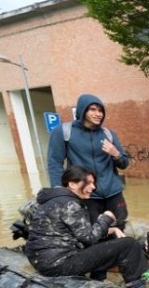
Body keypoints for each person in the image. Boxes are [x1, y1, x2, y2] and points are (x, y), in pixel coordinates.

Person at [25, 165, 149, 288]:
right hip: (58, 264)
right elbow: (89, 239)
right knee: (129, 244)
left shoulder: (52, 200)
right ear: (72, 184)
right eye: (89, 183)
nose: (93, 187)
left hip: (43, 261)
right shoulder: (70, 204)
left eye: (93, 183)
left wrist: (114, 230)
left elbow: (80, 233)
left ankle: (98, 280)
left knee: (104, 242)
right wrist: (106, 217)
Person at [47, 93, 130, 229]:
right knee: (90, 233)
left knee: (119, 228)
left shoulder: (108, 134)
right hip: (86, 195)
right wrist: (60, 193)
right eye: (93, 109)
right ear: (82, 110)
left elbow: (124, 164)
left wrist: (116, 154)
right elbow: (54, 164)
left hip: (113, 193)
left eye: (100, 110)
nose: (98, 114)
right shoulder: (63, 132)